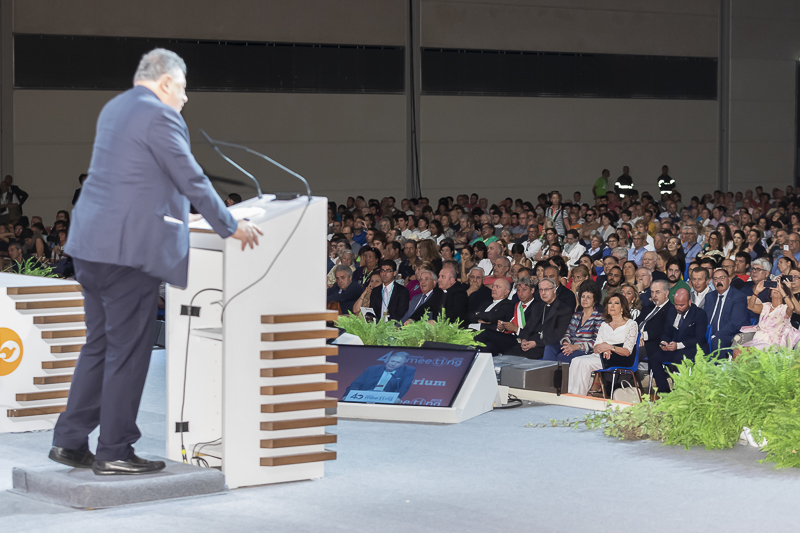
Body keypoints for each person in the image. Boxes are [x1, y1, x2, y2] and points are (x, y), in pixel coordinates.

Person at [51, 49, 262, 476]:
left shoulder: (116, 107)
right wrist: (229, 225)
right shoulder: (161, 115)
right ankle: (114, 449)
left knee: (100, 344)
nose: (186, 98)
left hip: (92, 246)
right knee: (128, 350)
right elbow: (190, 175)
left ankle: (70, 441)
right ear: (165, 82)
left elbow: (138, 179)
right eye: (183, 88)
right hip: (129, 252)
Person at [568, 294, 639, 396]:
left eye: (616, 303)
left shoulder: (631, 324)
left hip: (621, 357)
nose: (612, 306)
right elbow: (596, 347)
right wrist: (603, 348)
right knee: (575, 361)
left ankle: (579, 396)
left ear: (622, 307)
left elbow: (627, 351)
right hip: (602, 355)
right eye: (610, 303)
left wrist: (610, 347)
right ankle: (572, 394)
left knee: (584, 363)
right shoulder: (604, 324)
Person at [648, 288, 709, 393]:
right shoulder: (672, 310)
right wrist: (664, 342)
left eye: (681, 305)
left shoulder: (699, 314)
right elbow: (667, 331)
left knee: (678, 358)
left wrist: (678, 345)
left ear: (689, 302)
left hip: (694, 348)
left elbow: (698, 338)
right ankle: (664, 391)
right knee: (654, 356)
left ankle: (678, 392)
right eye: (676, 304)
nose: (678, 308)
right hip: (676, 347)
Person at [544, 281, 604, 363]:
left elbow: (596, 341)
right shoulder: (576, 315)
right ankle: (546, 375)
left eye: (589, 297)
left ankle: (558, 375)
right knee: (549, 348)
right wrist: (566, 342)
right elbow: (568, 332)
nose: (584, 300)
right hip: (570, 346)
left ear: (595, 301)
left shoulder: (599, 318)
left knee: (563, 356)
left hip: (584, 351)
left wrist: (576, 347)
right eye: (583, 296)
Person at [513, 277, 572, 359]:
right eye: (541, 290)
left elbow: (558, 335)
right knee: (508, 355)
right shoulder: (537, 306)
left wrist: (535, 343)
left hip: (545, 346)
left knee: (521, 359)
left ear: (554, 290)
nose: (543, 293)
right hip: (530, 343)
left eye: (546, 289)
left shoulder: (564, 309)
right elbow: (528, 327)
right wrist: (524, 340)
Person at [475, 277, 536, 355]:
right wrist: (503, 328)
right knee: (488, 346)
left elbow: (533, 330)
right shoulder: (515, 305)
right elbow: (509, 323)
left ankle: (465, 347)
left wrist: (516, 329)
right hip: (508, 337)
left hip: (521, 340)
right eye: (518, 290)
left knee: (485, 333)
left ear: (532, 290)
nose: (520, 293)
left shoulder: (536, 307)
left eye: (524, 290)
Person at [704, 268, 750, 354]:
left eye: (722, 278)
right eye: (716, 279)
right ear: (713, 282)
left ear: (729, 280)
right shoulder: (709, 296)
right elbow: (705, 318)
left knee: (717, 341)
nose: (719, 281)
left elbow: (735, 323)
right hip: (710, 333)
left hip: (730, 335)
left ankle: (718, 367)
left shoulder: (738, 297)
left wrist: (715, 335)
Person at [343, 351, 416, 401]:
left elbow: (404, 386)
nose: (393, 364)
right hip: (365, 395)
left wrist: (398, 397)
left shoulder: (407, 371)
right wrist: (347, 395)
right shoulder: (373, 369)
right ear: (388, 360)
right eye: (392, 361)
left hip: (384, 398)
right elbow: (356, 383)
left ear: (403, 364)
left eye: (398, 362)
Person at [636, 279, 673, 364]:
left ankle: (624, 376)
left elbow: (662, 330)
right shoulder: (648, 308)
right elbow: (635, 323)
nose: (654, 295)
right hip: (637, 340)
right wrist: (636, 336)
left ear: (666, 293)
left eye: (657, 292)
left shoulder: (671, 310)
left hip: (653, 344)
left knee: (627, 351)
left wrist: (642, 336)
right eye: (652, 292)